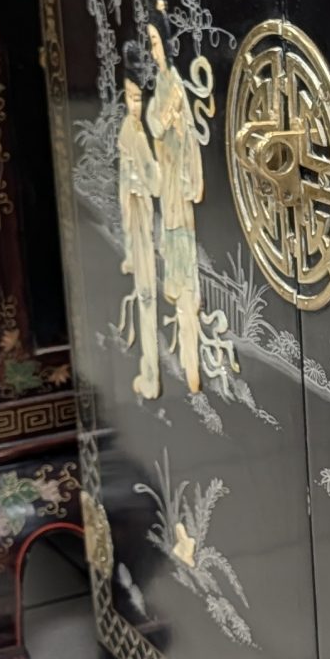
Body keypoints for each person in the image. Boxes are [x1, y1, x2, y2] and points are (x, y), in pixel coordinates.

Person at [146, 22, 205, 394]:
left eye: (155, 41)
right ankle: (189, 367)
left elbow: (179, 131)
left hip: (178, 191)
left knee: (184, 271)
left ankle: (192, 365)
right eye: (150, 42)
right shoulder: (163, 85)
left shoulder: (176, 86)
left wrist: (173, 122)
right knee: (176, 265)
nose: (153, 49)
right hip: (169, 187)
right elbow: (156, 124)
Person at [116, 75, 161, 399]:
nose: (136, 106)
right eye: (131, 98)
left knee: (146, 294)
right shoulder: (134, 134)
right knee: (146, 295)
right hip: (139, 219)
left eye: (139, 99)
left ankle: (151, 372)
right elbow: (153, 183)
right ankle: (151, 373)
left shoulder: (133, 132)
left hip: (138, 218)